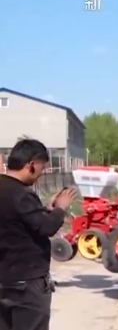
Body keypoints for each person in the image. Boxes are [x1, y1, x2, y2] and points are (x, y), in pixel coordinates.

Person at [0, 139, 77, 330]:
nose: (41, 175)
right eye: (42, 169)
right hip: (26, 284)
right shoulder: (21, 194)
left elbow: (18, 221)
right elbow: (46, 228)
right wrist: (60, 208)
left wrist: (45, 210)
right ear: (31, 165)